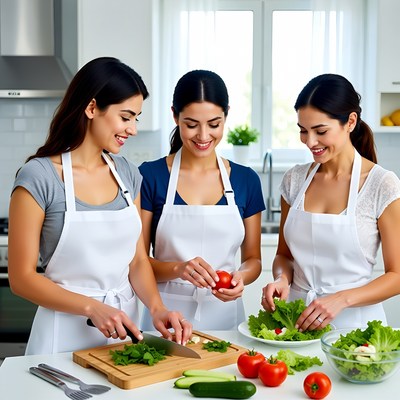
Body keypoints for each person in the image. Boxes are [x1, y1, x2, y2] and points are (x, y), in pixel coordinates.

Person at [7, 57, 192, 355]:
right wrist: (93, 307)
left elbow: (137, 261)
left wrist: (157, 308)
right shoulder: (39, 177)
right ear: (92, 108)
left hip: (122, 336)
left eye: (137, 118)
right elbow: (21, 278)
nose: (132, 129)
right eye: (126, 117)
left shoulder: (128, 174)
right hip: (62, 338)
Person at [261, 73, 400, 330]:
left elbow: (397, 276)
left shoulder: (381, 184)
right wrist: (282, 280)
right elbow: (284, 255)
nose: (310, 142)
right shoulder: (295, 180)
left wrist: (341, 299)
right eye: (303, 131)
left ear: (350, 122)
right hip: (296, 323)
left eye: (320, 131)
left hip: (355, 328)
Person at [139, 70, 265, 330]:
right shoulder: (151, 176)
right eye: (191, 124)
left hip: (226, 317)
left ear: (226, 116)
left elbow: (253, 258)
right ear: (175, 116)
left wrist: (240, 277)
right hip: (165, 318)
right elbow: (137, 260)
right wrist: (178, 269)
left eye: (214, 124)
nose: (204, 135)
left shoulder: (246, 180)